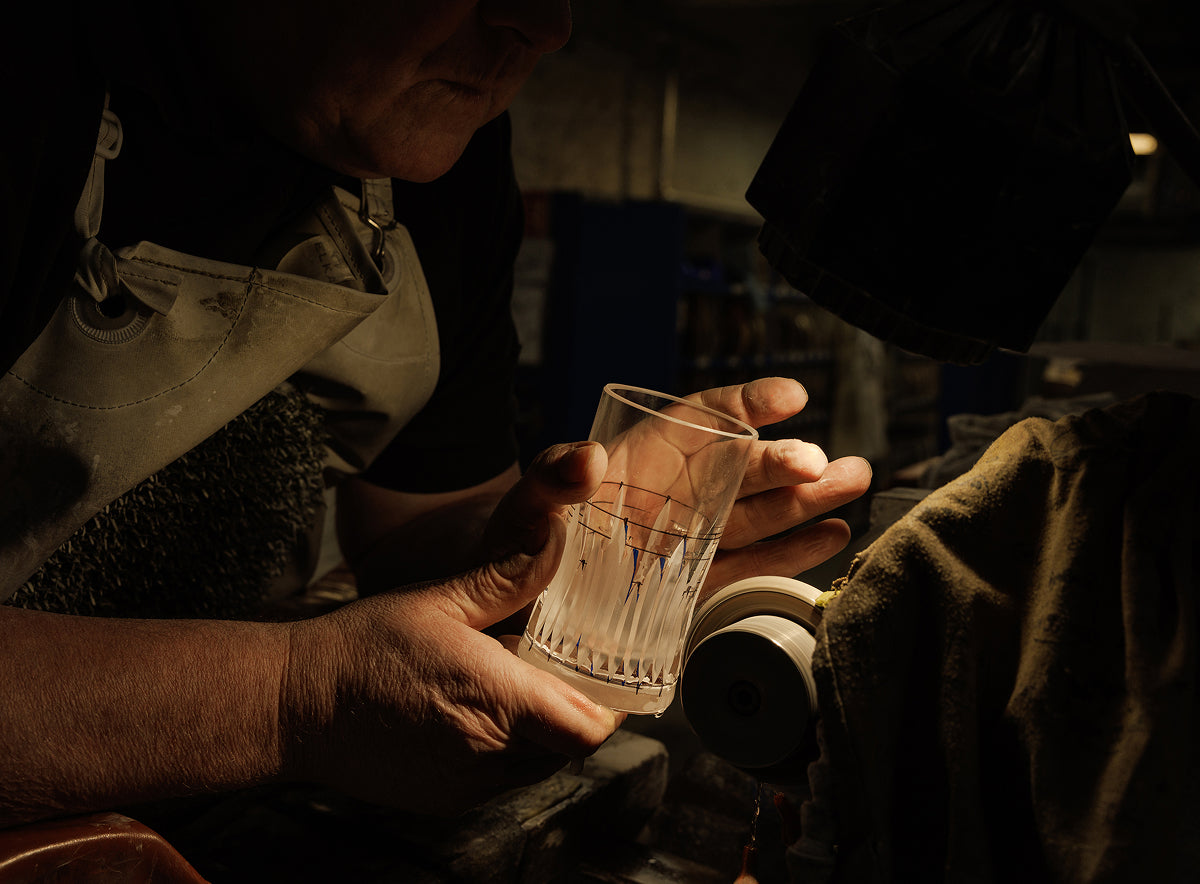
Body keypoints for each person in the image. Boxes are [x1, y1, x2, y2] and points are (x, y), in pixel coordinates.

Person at [0, 0, 873, 831]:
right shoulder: (37, 81)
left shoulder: (442, 162)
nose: (547, 25)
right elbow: (297, 694)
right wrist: (296, 695)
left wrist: (546, 559)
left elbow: (413, 527)